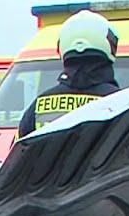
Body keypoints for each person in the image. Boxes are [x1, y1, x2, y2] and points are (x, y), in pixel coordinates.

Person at [15, 9, 121, 141]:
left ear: (61, 49)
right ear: (110, 46)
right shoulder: (122, 103)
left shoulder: (38, 107)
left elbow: (18, 156)